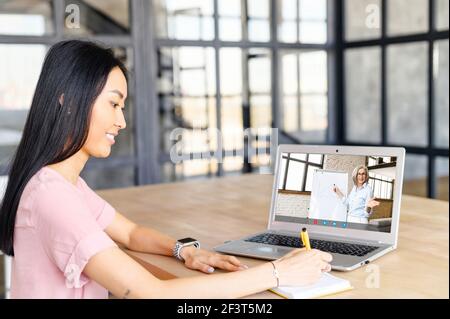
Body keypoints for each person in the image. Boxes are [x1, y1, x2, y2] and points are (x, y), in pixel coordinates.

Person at [0, 40, 332, 299]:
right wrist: (277, 272)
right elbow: (150, 292)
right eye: (113, 104)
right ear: (69, 101)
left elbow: (130, 234)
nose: (122, 121)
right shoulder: (52, 196)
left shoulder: (63, 184)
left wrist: (184, 250)